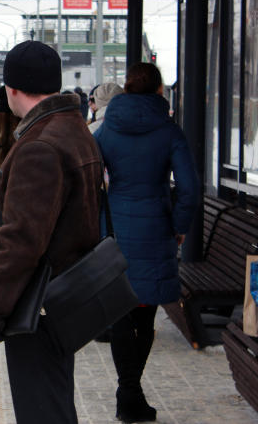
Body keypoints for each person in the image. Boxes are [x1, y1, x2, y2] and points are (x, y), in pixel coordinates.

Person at [0, 41, 103, 424]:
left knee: (41, 411)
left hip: (36, 305)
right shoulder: (72, 129)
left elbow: (21, 242)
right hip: (63, 297)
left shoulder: (39, 146)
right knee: (54, 404)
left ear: (11, 90)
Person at [94, 62, 200, 423]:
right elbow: (189, 188)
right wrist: (179, 225)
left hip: (117, 229)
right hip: (156, 227)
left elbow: (89, 171)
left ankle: (129, 393)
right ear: (159, 91)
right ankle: (130, 394)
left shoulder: (108, 128)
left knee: (123, 312)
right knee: (146, 311)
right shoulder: (169, 131)